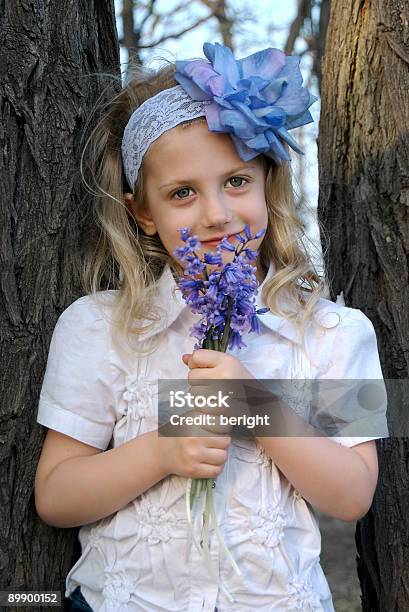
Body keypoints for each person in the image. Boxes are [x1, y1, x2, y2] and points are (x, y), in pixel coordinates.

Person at [34, 42, 388, 612]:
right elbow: (54, 495)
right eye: (182, 193)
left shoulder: (338, 331)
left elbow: (353, 495)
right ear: (142, 212)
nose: (216, 214)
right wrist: (161, 453)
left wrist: (255, 405)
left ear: (267, 184)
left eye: (237, 182)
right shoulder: (99, 326)